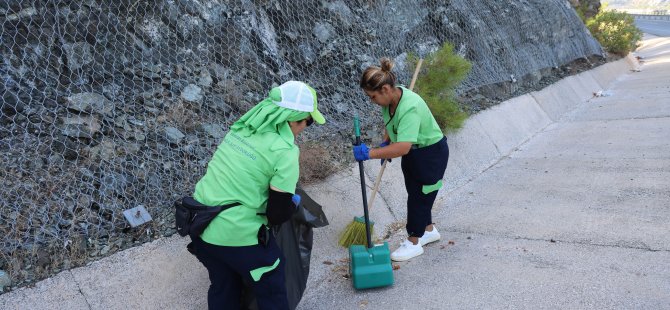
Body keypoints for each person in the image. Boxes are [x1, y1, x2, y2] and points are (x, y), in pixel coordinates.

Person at [191, 81, 326, 309]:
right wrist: (291, 205)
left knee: (223, 287)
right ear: (292, 119)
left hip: (200, 226)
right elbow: (277, 214)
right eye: (308, 121)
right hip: (237, 235)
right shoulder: (285, 151)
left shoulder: (241, 129)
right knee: (272, 282)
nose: (306, 127)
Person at [353, 58, 449, 262]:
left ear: (385, 89)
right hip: (414, 154)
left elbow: (403, 146)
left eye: (373, 97)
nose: (372, 101)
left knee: (419, 198)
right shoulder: (389, 101)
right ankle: (428, 230)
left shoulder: (409, 106)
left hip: (430, 153)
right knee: (416, 192)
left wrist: (370, 153)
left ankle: (413, 242)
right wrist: (386, 143)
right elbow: (391, 124)